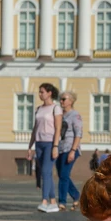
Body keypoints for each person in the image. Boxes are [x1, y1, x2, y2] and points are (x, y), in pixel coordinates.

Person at [28, 83, 62, 213]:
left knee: (45, 172)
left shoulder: (56, 108)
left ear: (49, 93)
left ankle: (44, 201)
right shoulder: (38, 109)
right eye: (39, 91)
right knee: (46, 173)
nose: (40, 94)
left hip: (50, 143)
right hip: (39, 143)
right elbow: (35, 128)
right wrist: (30, 146)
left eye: (42, 92)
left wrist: (55, 146)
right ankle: (53, 202)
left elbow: (58, 128)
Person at [57, 91, 83, 211]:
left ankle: (62, 202)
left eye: (64, 99)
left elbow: (78, 134)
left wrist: (73, 150)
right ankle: (76, 195)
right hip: (60, 149)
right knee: (62, 175)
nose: (61, 101)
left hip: (71, 148)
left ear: (71, 101)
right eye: (60, 99)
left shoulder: (75, 115)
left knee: (64, 175)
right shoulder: (60, 115)